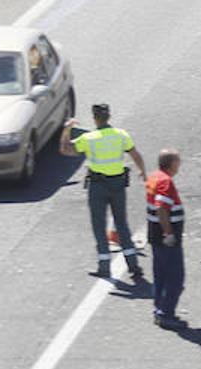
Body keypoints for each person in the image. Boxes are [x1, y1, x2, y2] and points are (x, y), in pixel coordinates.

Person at [59, 103, 147, 281]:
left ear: (94, 118)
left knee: (99, 225)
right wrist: (142, 171)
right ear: (109, 116)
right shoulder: (121, 135)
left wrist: (67, 129)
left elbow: (65, 149)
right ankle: (134, 266)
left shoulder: (89, 138)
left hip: (98, 186)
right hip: (118, 185)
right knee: (121, 224)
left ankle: (104, 267)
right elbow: (135, 154)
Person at [146, 149, 185, 329]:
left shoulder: (154, 176)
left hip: (154, 235)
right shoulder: (165, 181)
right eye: (178, 161)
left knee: (160, 275)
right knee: (175, 277)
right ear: (171, 163)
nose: (180, 164)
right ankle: (166, 313)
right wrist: (169, 233)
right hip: (165, 238)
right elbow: (162, 208)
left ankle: (159, 309)